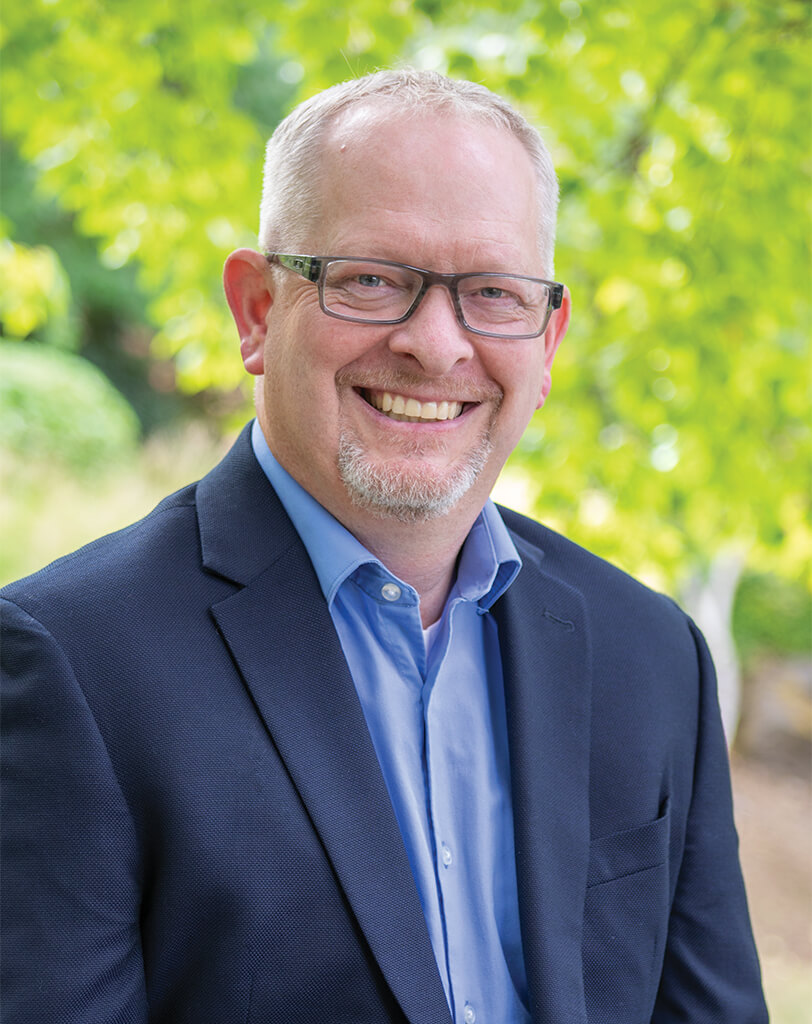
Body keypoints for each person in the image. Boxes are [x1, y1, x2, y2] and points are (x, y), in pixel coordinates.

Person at [1, 69, 767, 1024]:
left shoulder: (651, 653)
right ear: (256, 310)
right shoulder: (69, 660)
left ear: (549, 339)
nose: (435, 346)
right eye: (373, 281)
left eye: (492, 292)